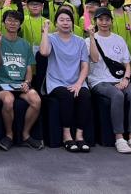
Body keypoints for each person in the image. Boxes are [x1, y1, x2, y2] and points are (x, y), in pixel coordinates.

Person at [87, 7, 131, 154]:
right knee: (117, 95)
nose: (104, 23)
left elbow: (127, 64)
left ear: (111, 21)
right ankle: (119, 138)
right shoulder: (88, 40)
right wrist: (92, 37)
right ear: (95, 21)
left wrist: (126, 79)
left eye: (107, 20)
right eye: (100, 19)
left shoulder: (118, 39)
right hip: (99, 81)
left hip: (119, 78)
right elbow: (94, 58)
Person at [39, 9, 92, 153]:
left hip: (76, 80)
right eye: (61, 20)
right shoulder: (51, 38)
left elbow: (85, 66)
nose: (65, 23)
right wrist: (45, 31)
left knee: (85, 95)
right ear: (56, 23)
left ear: (73, 23)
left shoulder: (80, 41)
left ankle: (79, 136)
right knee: (66, 96)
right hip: (56, 81)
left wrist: (79, 84)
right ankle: (66, 135)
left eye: (68, 20)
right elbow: (44, 52)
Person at [0, 9, 43, 151]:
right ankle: (9, 135)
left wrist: (27, 82)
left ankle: (26, 134)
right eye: (9, 20)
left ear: (20, 24)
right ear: (4, 22)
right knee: (8, 100)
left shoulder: (25, 44)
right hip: (0, 83)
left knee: (36, 100)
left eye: (16, 21)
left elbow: (29, 69)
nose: (12, 23)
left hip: (20, 83)